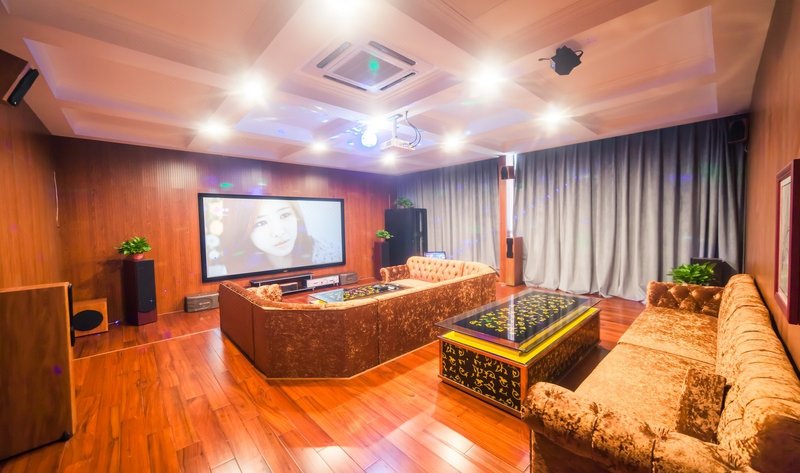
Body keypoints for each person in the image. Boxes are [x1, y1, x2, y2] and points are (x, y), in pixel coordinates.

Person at [216, 198, 338, 276]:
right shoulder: (231, 271)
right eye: (261, 223)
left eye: (285, 215)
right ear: (245, 232)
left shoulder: (328, 254)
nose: (279, 232)